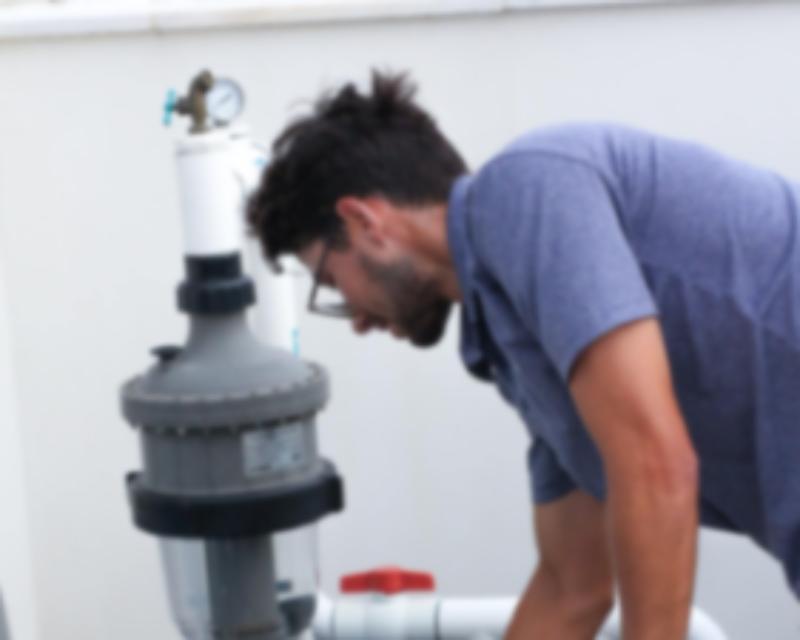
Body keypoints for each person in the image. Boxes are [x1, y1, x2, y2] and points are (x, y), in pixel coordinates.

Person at [247, 71, 800, 639]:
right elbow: (572, 587)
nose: (358, 322)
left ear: (365, 224)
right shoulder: (521, 348)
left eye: (332, 284)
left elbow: (654, 466)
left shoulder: (529, 187)